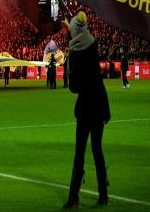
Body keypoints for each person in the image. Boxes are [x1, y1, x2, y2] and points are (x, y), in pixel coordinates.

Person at [63, 12, 111, 209]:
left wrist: (70, 55)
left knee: (79, 152)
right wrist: (71, 29)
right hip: (99, 106)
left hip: (85, 108)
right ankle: (103, 195)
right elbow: (81, 36)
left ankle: (73, 198)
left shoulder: (75, 53)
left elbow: (74, 87)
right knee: (97, 150)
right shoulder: (93, 44)